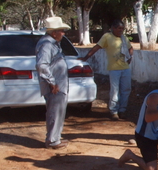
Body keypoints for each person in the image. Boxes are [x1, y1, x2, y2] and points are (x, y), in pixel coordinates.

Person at [80, 20, 133, 120]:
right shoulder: (107, 37)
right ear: (113, 28)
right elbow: (97, 47)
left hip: (125, 68)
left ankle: (122, 110)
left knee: (126, 90)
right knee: (115, 91)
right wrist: (86, 57)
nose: (121, 30)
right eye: (119, 28)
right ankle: (114, 111)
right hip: (114, 69)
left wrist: (130, 57)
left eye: (122, 29)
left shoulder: (124, 38)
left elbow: (131, 48)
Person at [36, 16, 72, 149]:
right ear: (54, 32)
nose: (63, 33)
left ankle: (55, 138)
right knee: (54, 112)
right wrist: (52, 83)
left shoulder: (53, 43)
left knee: (58, 112)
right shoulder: (46, 45)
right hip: (54, 86)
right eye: (61, 30)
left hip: (59, 84)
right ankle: (52, 140)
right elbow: (42, 66)